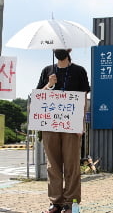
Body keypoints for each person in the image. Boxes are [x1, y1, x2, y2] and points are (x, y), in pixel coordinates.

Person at [37, 49, 90, 213]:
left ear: (69, 50)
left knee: (72, 164)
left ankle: (72, 202)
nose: (58, 50)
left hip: (71, 125)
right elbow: (39, 96)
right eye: (56, 48)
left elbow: (84, 99)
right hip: (50, 125)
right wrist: (49, 85)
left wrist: (81, 123)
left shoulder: (79, 70)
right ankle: (55, 202)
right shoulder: (47, 70)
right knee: (53, 164)